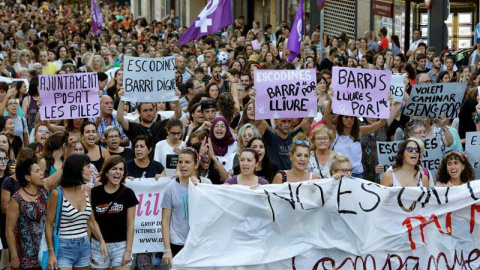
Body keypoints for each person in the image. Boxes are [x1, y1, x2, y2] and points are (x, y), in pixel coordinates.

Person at [45, 154, 108, 270]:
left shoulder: (87, 190)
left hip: (84, 244)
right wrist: (51, 253)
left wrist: (102, 241)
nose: (91, 170)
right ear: (78, 170)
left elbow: (92, 221)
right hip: (63, 246)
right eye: (88, 167)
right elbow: (48, 225)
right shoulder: (57, 193)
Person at [161, 148, 212, 267]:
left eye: (187, 162)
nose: (183, 166)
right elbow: (165, 221)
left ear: (196, 164)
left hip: (200, 242)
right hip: (178, 243)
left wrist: (198, 187)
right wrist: (167, 249)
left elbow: (211, 212)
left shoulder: (206, 184)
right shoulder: (170, 188)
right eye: (180, 162)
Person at [91, 156, 139, 269]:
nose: (118, 172)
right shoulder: (94, 193)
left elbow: (131, 225)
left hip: (121, 246)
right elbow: (91, 222)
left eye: (121, 169)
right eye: (114, 169)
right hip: (98, 246)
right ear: (106, 173)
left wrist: (128, 250)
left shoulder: (128, 193)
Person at [324, 99, 386, 178]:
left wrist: (385, 101)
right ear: (341, 118)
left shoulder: (359, 131)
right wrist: (331, 99)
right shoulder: (334, 131)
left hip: (357, 174)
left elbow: (382, 123)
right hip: (338, 174)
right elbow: (326, 120)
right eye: (346, 117)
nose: (349, 120)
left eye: (352, 117)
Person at [6, 157, 46, 270]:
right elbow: (9, 230)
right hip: (26, 256)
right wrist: (14, 257)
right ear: (28, 177)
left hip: (45, 252)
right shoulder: (16, 199)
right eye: (37, 171)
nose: (42, 173)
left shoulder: (43, 193)